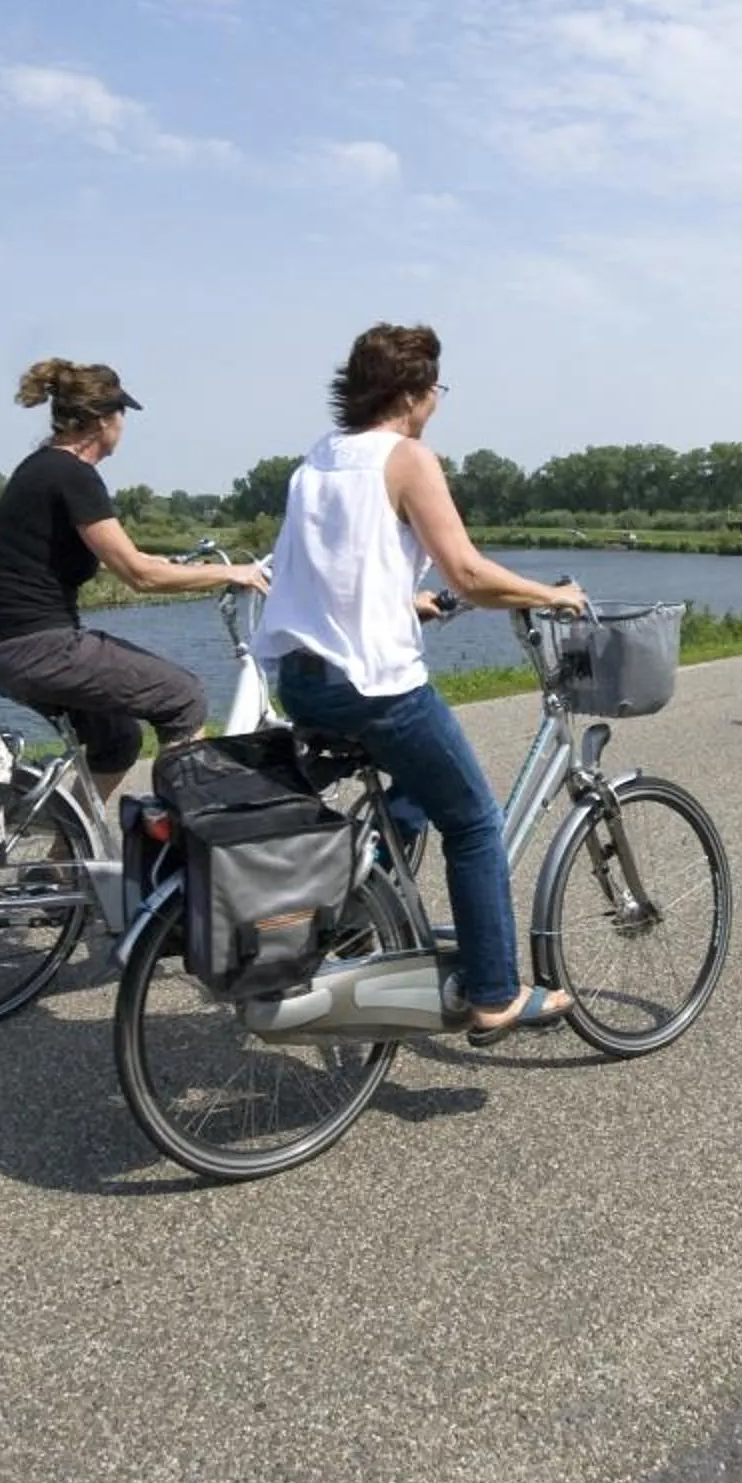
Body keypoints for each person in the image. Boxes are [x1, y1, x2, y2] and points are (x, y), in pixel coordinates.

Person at [254, 324, 589, 1045]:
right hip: (374, 687)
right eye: (436, 389)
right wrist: (551, 595)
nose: (437, 402)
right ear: (410, 395)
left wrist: (406, 600)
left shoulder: (316, 460)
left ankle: (366, 914)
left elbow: (323, 574)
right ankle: (495, 993)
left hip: (304, 681)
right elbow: (468, 572)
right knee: (473, 822)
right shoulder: (407, 459)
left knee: (415, 788)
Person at [0, 359, 268, 801]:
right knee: (183, 698)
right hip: (37, 647)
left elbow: (121, 557)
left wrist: (171, 563)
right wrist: (232, 571)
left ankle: (64, 845)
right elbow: (139, 577)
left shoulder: (42, 468)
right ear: (101, 420)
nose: (124, 426)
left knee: (118, 740)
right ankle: (182, 832)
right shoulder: (73, 475)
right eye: (122, 414)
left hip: (0, 647)